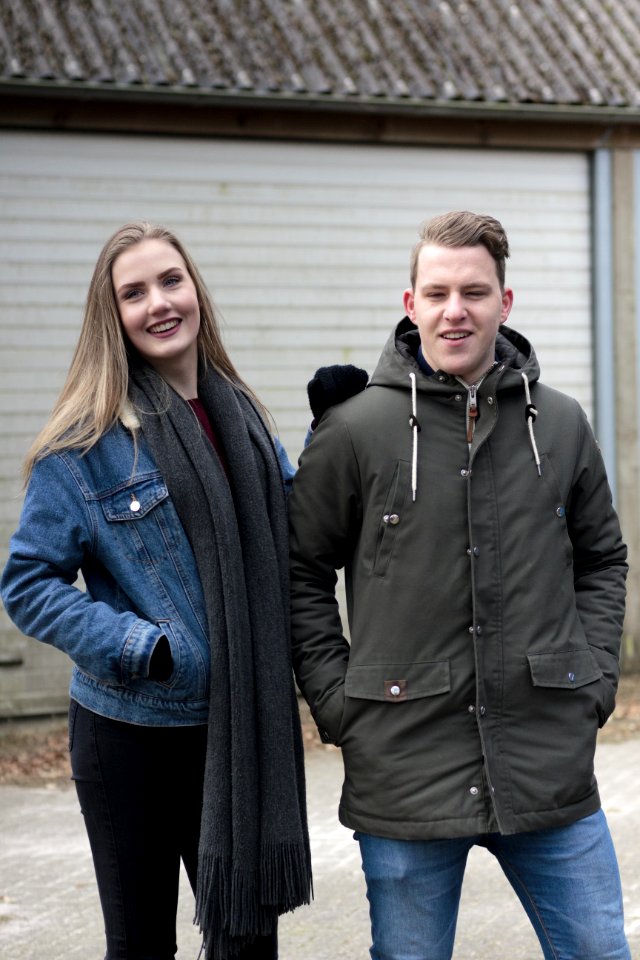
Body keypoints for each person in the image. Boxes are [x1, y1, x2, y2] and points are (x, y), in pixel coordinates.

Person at [288, 211, 631, 960]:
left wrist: (596, 679)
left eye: (474, 292)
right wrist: (339, 703)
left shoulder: (563, 424)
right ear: (410, 303)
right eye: (437, 292)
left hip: (548, 768)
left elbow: (604, 558)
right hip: (403, 768)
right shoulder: (355, 430)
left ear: (504, 302)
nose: (456, 310)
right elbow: (301, 572)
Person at [0, 221, 313, 960]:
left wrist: (335, 433)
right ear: (112, 316)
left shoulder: (244, 417)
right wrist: (144, 646)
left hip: (237, 730)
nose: (159, 303)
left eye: (171, 280)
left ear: (195, 289)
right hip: (132, 733)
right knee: (142, 946)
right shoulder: (85, 442)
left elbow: (303, 535)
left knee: (246, 946)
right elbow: (28, 582)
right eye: (133, 292)